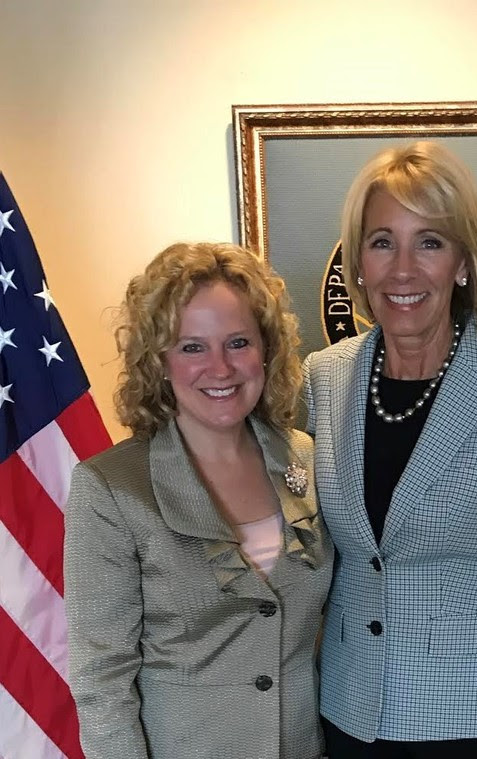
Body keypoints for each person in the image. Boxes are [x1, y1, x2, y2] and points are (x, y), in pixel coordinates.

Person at [303, 141, 477, 759]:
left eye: (429, 242)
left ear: (462, 264)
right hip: (349, 715)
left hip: (470, 724)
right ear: (359, 263)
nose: (403, 269)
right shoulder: (325, 377)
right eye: (381, 241)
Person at [64, 242, 333, 759]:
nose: (221, 368)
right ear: (158, 359)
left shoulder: (307, 457)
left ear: (266, 349)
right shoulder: (110, 488)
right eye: (192, 347)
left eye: (238, 342)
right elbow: (101, 682)